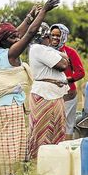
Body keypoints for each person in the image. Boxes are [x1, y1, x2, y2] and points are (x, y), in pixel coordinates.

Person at [0, 0, 59, 175]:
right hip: (11, 105)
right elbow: (28, 34)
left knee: (1, 141)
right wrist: (43, 12)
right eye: (13, 38)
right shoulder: (12, 54)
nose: (17, 38)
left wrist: (29, 17)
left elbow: (18, 32)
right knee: (12, 142)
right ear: (6, 41)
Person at [27, 23, 70, 159]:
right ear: (45, 36)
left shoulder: (47, 50)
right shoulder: (38, 49)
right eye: (50, 35)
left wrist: (63, 57)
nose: (52, 38)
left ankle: (52, 163)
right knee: (41, 132)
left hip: (53, 95)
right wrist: (63, 57)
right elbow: (63, 64)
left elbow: (65, 58)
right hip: (45, 96)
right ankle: (38, 164)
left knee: (56, 130)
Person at [50, 24, 85, 140]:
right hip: (51, 94)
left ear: (64, 36)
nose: (55, 38)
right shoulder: (46, 51)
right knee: (53, 124)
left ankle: (66, 149)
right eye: (52, 35)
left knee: (68, 125)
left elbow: (80, 72)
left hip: (69, 94)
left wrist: (66, 80)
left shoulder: (70, 52)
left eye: (58, 35)